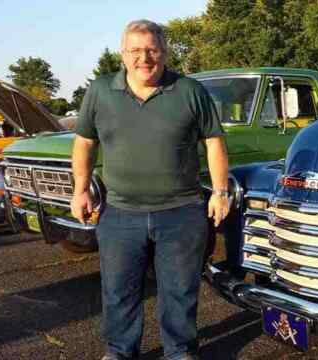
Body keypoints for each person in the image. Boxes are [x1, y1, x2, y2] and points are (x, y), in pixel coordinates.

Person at [70, 19, 229, 360]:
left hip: (182, 212)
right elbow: (84, 142)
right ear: (123, 54)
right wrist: (80, 190)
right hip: (119, 213)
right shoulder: (100, 91)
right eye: (136, 50)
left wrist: (219, 192)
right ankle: (119, 351)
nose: (144, 58)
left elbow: (213, 142)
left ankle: (179, 351)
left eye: (152, 50)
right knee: (118, 291)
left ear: (164, 52)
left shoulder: (189, 91)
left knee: (179, 291)